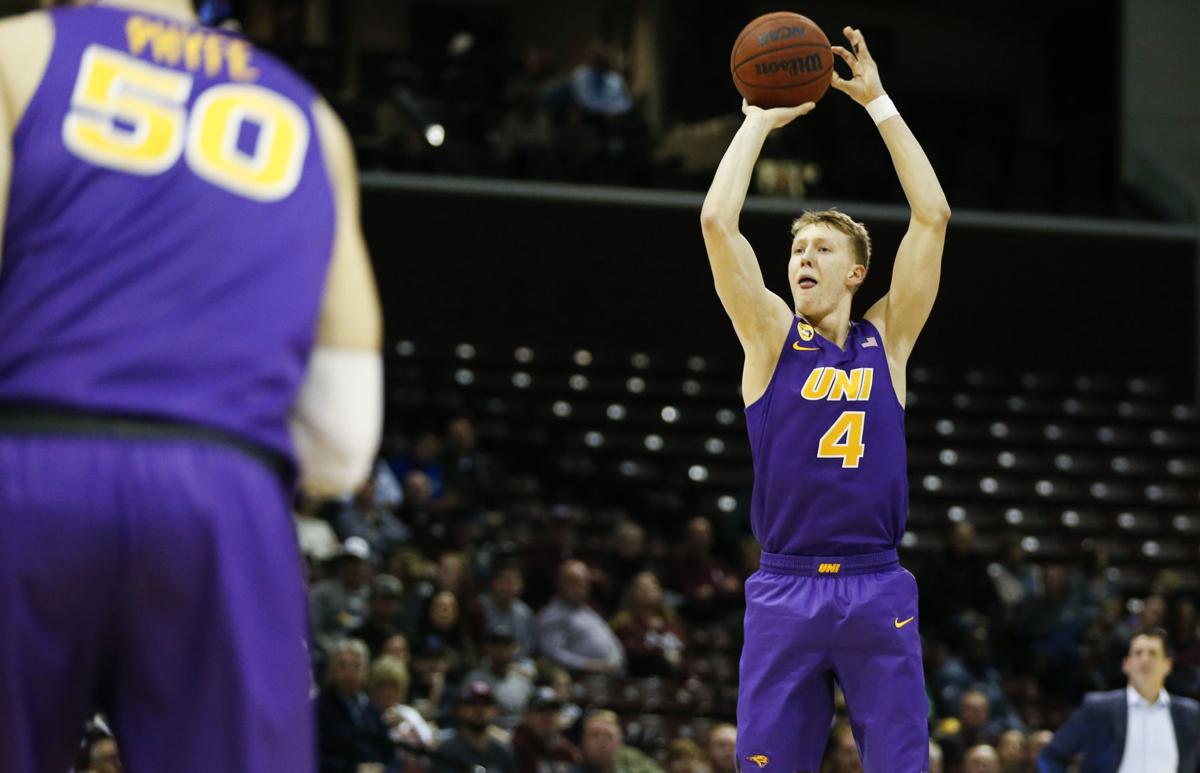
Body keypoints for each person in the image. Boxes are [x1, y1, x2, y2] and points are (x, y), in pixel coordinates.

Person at [0, 1, 383, 771]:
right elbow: (343, 436)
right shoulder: (314, 121)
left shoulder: (18, 55)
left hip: (28, 462)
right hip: (222, 489)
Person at [700, 25, 949, 773]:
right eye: (797, 249)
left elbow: (932, 217)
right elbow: (717, 222)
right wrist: (754, 123)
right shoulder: (771, 339)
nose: (802, 257)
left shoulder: (888, 339)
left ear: (855, 273)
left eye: (820, 250)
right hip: (787, 582)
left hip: (877, 580)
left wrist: (878, 103)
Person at [1038, 627, 1200, 772]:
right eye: (1138, 653)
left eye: (1153, 653)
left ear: (1168, 665)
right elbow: (1051, 755)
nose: (1145, 659)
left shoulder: (1189, 714)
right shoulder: (1098, 708)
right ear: (1126, 664)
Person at [537, 560, 625, 676]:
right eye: (575, 582)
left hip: (611, 674)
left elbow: (610, 639)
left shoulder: (586, 610)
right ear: (561, 584)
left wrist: (616, 659)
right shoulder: (552, 615)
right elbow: (553, 653)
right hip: (581, 677)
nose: (582, 587)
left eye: (585, 582)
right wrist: (587, 664)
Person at [430, 681, 516, 773]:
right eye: (472, 703)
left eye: (486, 703)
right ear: (459, 710)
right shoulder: (446, 751)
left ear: (495, 710)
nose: (480, 709)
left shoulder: (503, 753)